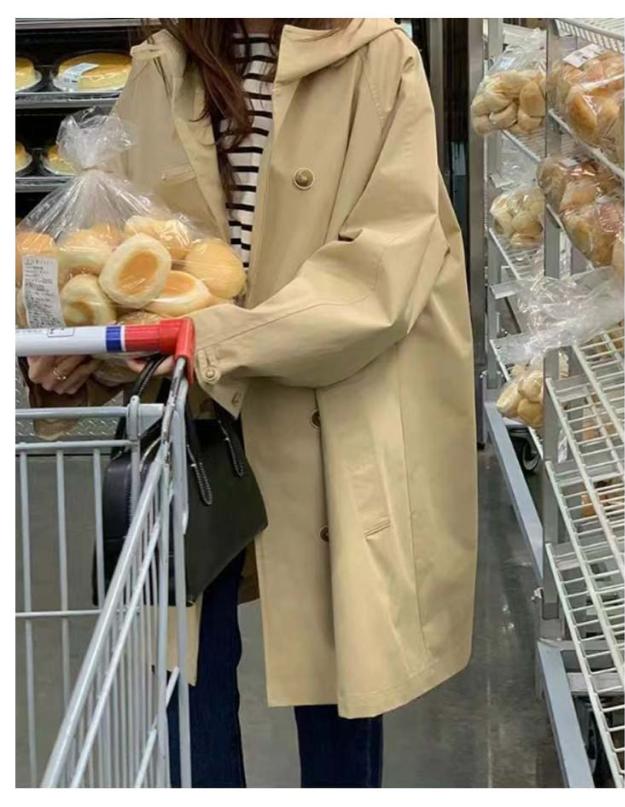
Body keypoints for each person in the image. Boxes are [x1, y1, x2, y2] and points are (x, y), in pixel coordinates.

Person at [27, 18, 477, 788]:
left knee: (337, 688)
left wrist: (206, 336)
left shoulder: (379, 59)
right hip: (194, 423)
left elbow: (382, 271)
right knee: (189, 688)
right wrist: (81, 349)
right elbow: (120, 255)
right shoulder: (163, 67)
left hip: (326, 409)